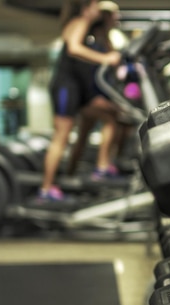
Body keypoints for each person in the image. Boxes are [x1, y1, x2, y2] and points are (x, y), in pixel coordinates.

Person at [40, 0, 122, 201]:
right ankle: (46, 188)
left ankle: (86, 171)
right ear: (86, 8)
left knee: (111, 115)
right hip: (65, 87)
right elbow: (73, 49)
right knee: (62, 136)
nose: (98, 9)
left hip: (79, 89)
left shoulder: (93, 30)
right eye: (95, 4)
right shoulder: (79, 21)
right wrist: (104, 59)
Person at [65, 0, 126, 176]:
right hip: (87, 91)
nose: (115, 18)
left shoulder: (105, 37)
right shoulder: (89, 29)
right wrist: (106, 59)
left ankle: (70, 172)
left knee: (84, 132)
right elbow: (74, 49)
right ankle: (101, 167)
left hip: (94, 91)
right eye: (112, 15)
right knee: (112, 117)